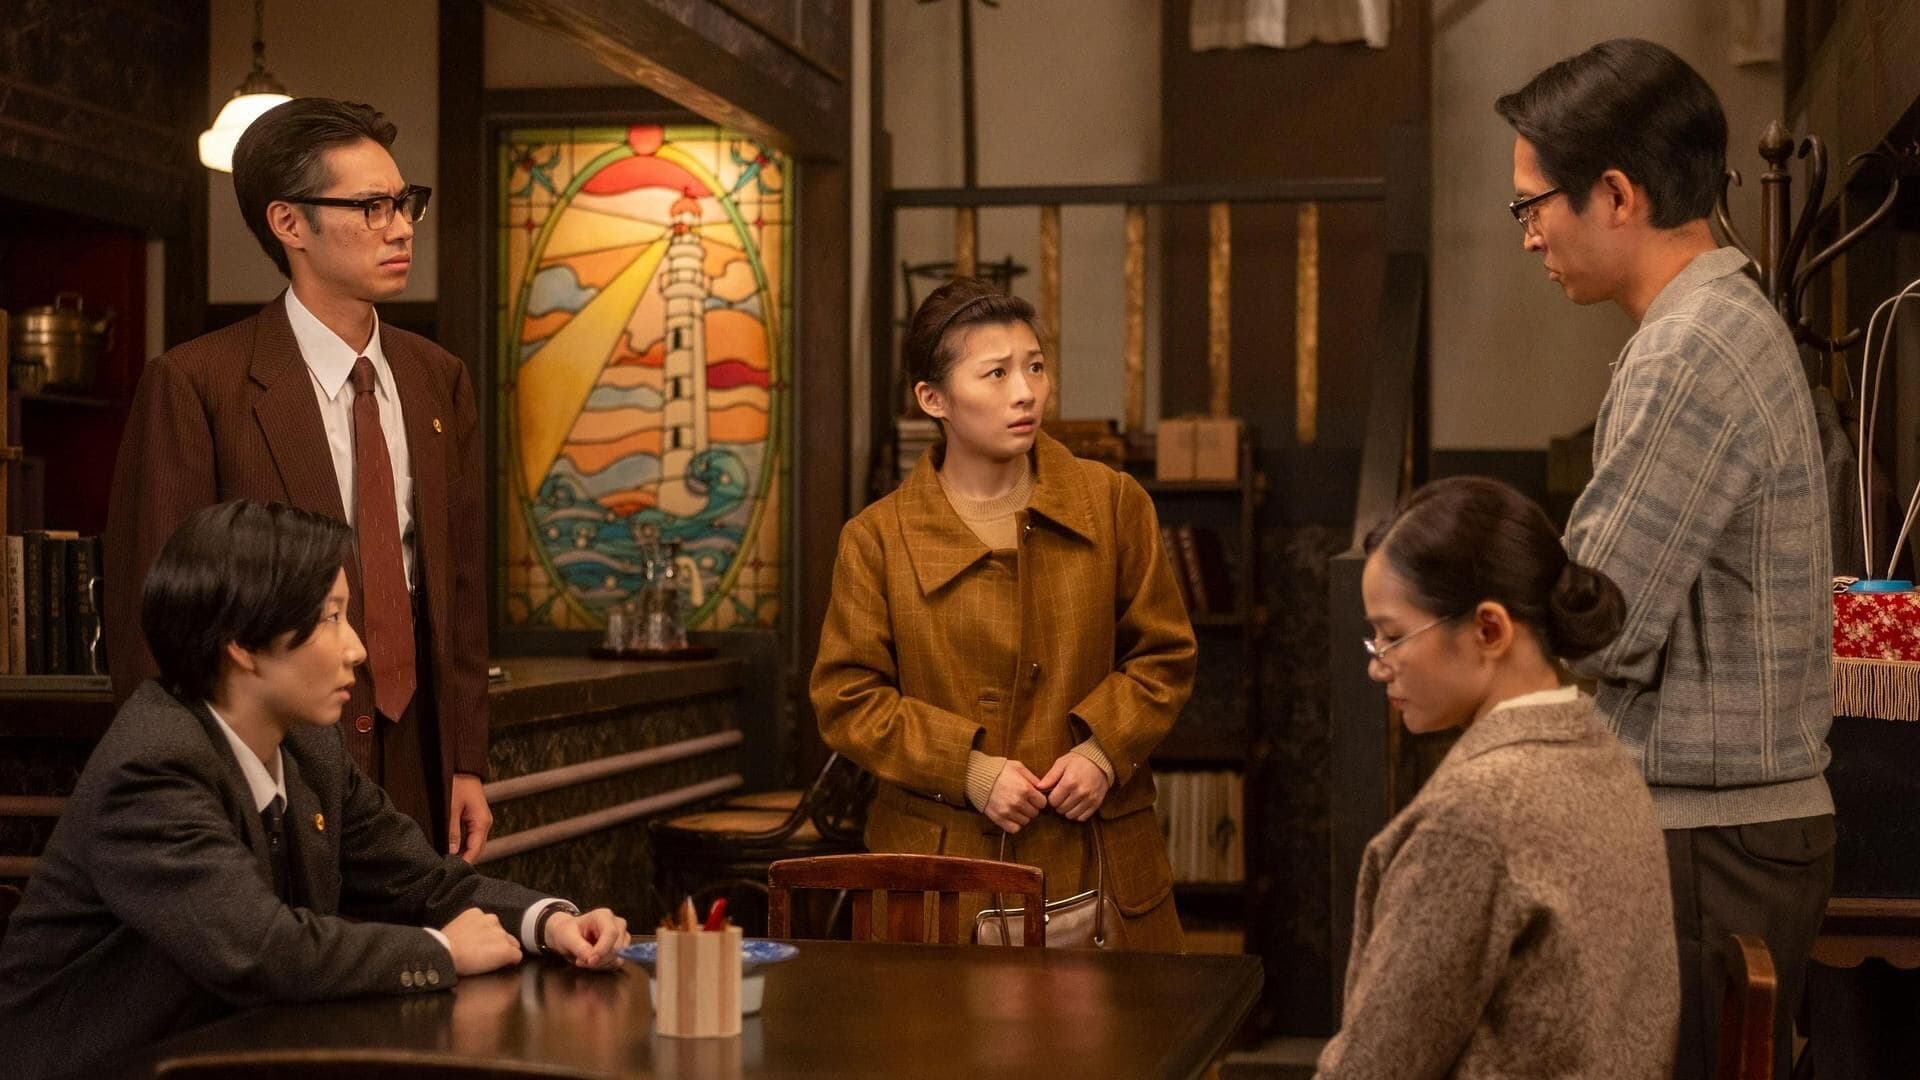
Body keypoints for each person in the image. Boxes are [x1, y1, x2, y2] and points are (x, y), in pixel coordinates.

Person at [0, 501, 629, 1080]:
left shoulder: (309, 746)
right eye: (331, 618)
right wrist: (441, 950)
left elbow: (423, 882)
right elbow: (259, 949)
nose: (357, 648)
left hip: (234, 1053)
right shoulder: (153, 765)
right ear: (243, 644)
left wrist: (550, 923)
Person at [1497, 40, 1835, 1080]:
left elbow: (1602, 618)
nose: (1528, 235)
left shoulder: (1691, 346)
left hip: (1708, 836)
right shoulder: (1714, 324)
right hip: (1723, 828)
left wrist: (1478, 608)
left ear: (1614, 194)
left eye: (1531, 205)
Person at [105, 97, 495, 860]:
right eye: (371, 206)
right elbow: (157, 612)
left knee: (426, 927)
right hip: (271, 759)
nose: (401, 227)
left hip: (419, 751)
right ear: (289, 224)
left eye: (405, 202)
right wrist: (189, 790)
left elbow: (459, 583)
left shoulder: (436, 378)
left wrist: (467, 759)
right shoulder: (199, 382)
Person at [810, 278, 1195, 950]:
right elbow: (849, 699)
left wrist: (1104, 753)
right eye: (996, 373)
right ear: (933, 399)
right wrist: (969, 771)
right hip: (943, 873)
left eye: (1035, 367)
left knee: (1120, 1021)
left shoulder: (1113, 503)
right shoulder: (876, 539)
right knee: (945, 1024)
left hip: (1100, 857)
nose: (1026, 392)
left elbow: (1164, 655)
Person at [1317, 476, 1677, 1079]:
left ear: (1489, 629)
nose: (1378, 665)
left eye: (1394, 636)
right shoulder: (1604, 755)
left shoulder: (1473, 817)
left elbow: (1373, 1067)